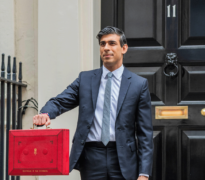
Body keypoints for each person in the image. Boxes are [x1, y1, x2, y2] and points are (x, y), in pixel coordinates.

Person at [33, 26, 153, 180]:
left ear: (124, 48)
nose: (106, 48)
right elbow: (60, 101)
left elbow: (145, 134)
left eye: (112, 43)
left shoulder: (138, 84)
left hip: (123, 158)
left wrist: (144, 173)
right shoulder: (85, 79)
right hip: (91, 156)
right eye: (102, 44)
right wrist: (45, 113)